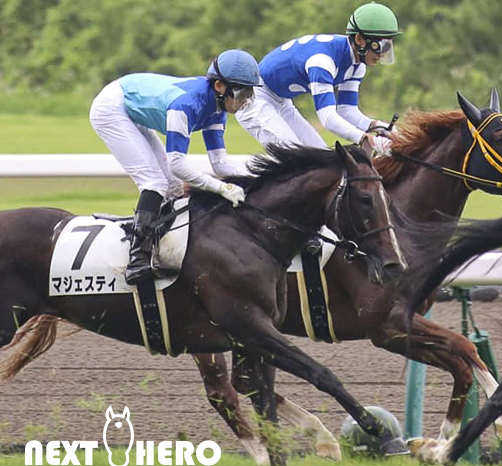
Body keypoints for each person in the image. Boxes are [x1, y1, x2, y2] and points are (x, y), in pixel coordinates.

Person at [89, 49, 259, 285]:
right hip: (111, 109)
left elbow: (220, 163)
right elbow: (177, 163)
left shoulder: (217, 111)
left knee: (174, 188)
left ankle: (163, 246)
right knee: (154, 183)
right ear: (220, 86)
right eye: (241, 93)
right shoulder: (187, 105)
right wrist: (222, 188)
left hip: (131, 106)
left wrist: (256, 181)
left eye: (250, 93)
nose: (245, 101)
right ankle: (137, 259)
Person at [236, 2, 401, 157]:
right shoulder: (323, 61)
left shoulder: (358, 65)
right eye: (380, 45)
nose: (383, 53)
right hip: (253, 98)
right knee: (296, 158)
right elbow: (328, 118)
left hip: (282, 101)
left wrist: (378, 125)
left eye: (388, 45)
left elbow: (346, 110)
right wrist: (365, 138)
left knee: (323, 158)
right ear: (359, 39)